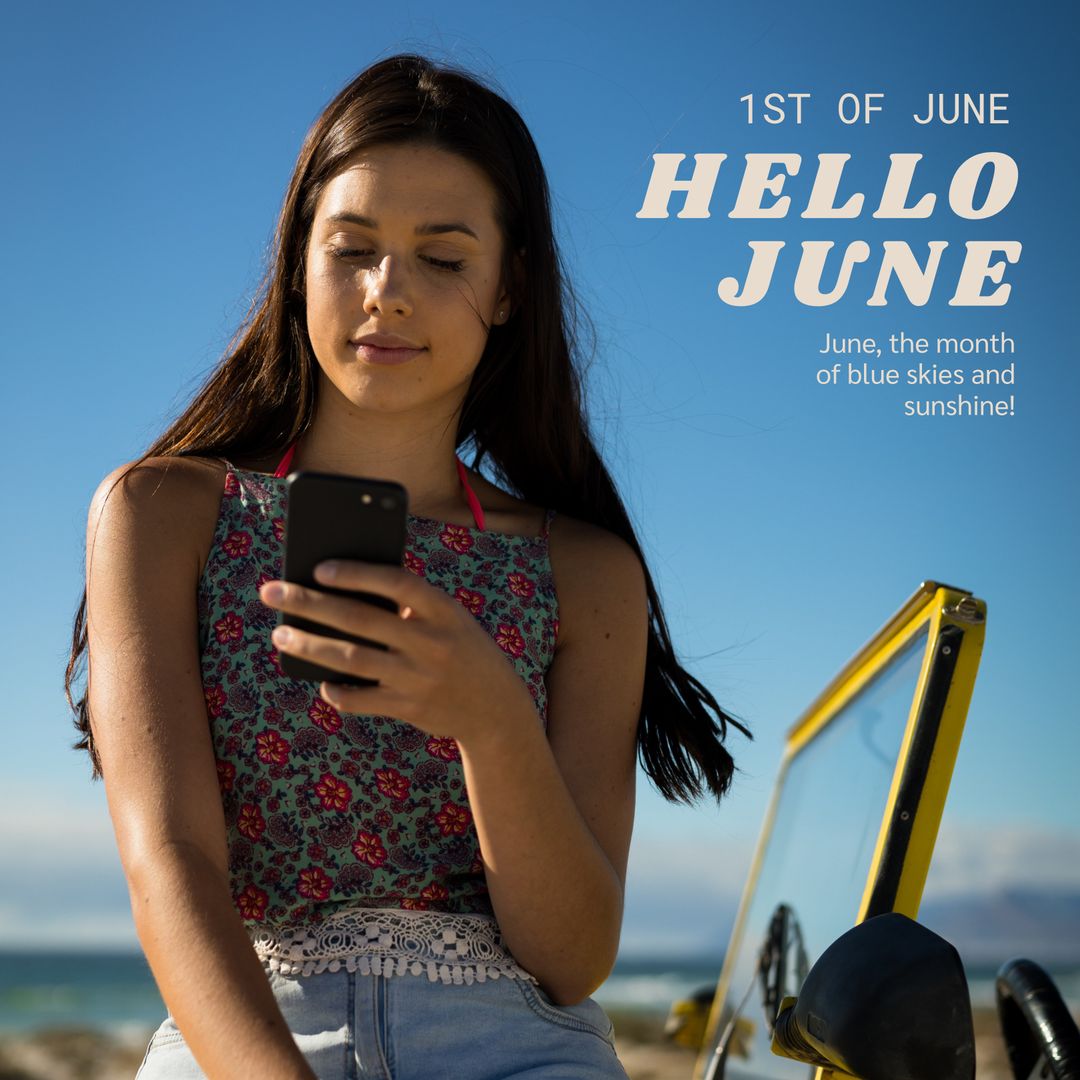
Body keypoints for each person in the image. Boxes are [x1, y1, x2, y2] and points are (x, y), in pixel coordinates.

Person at [66, 53, 750, 1080]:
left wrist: (491, 717)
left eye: (442, 257)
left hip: (514, 1045)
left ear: (509, 287)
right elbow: (171, 866)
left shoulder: (587, 571)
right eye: (352, 250)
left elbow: (570, 960)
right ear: (300, 262)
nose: (387, 294)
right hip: (247, 1036)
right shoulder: (163, 515)